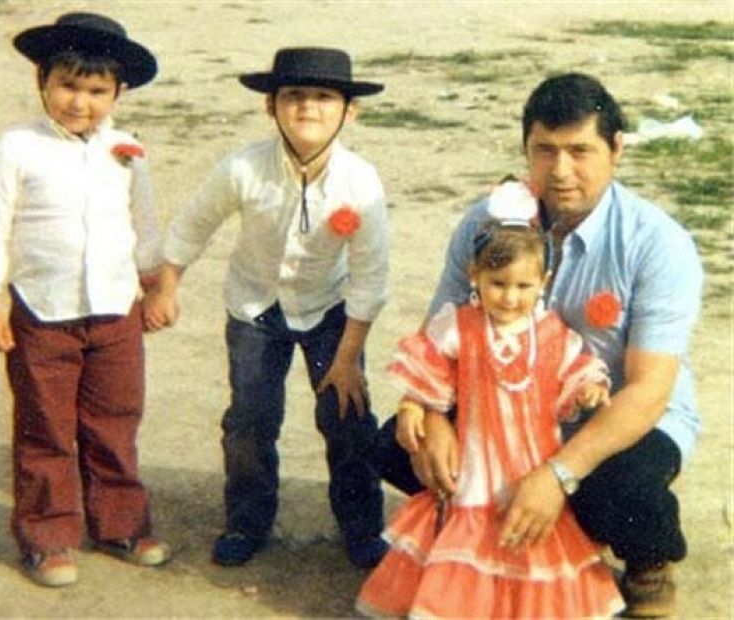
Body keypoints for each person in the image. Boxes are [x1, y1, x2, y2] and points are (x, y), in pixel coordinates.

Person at [375, 73, 703, 618]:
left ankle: (648, 562)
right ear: (526, 149)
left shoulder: (657, 243)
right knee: (398, 445)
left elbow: (648, 391)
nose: (561, 170)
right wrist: (434, 420)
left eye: (580, 151)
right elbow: (441, 333)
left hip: (612, 413)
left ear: (617, 149)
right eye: (545, 150)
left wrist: (556, 475)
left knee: (621, 490)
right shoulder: (487, 223)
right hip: (501, 412)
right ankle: (492, 536)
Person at [144, 47, 390, 568]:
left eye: (324, 97)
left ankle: (362, 525)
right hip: (255, 306)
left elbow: (371, 277)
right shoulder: (243, 168)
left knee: (346, 414)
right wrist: (166, 288)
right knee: (250, 420)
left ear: (350, 111)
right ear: (270, 106)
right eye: (293, 95)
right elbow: (192, 225)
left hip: (331, 310)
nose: (307, 107)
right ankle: (247, 521)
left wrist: (347, 358)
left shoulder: (360, 181)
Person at [357, 181, 624, 618]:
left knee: (529, 528)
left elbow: (576, 368)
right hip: (478, 456)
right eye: (498, 283)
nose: (510, 297)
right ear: (475, 275)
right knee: (471, 523)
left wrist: (587, 388)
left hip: (532, 457)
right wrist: (414, 404)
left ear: (544, 282)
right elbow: (429, 364)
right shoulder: (460, 326)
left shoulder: (552, 333)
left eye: (524, 285)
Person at [0, 12, 169, 588]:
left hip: (116, 310)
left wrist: (155, 285)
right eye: (68, 86)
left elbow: (144, 224)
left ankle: (120, 524)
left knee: (115, 421)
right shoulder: (17, 147)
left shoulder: (126, 150)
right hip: (42, 311)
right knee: (46, 428)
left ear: (117, 93)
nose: (80, 102)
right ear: (43, 82)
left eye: (96, 91)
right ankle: (47, 536)